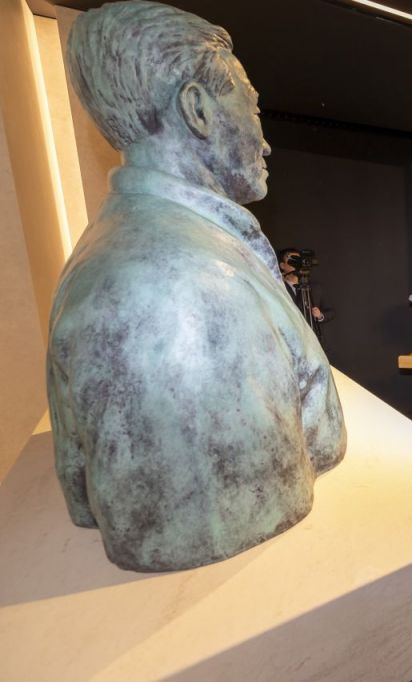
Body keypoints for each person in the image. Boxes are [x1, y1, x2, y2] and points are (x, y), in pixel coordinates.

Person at [47, 1, 346, 571]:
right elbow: (208, 509)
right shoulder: (173, 289)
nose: (265, 140)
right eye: (251, 105)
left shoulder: (144, 243)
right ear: (197, 109)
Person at [278, 247, 326, 328]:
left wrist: (320, 315)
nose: (296, 265)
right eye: (293, 261)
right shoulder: (278, 287)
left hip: (312, 333)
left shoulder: (315, 287)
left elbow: (330, 311)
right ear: (282, 265)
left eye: (298, 261)